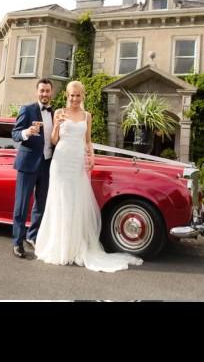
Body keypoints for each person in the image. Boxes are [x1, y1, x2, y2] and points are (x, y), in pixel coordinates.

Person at [35, 81, 143, 272]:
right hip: (61, 161)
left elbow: (88, 141)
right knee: (60, 200)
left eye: (78, 95)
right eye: (71, 95)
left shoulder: (87, 116)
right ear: (66, 96)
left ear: (82, 96)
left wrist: (92, 157)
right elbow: (53, 140)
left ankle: (74, 245)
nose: (74, 99)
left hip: (77, 161)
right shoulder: (59, 112)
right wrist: (56, 127)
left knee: (75, 202)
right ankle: (60, 246)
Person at [10, 78, 55, 258]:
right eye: (42, 91)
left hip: (48, 163)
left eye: (47, 91)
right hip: (28, 163)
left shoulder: (56, 113)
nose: (44, 94)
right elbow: (15, 134)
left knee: (41, 205)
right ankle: (17, 242)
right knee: (21, 205)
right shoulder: (27, 109)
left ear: (51, 92)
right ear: (37, 92)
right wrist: (27, 132)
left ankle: (33, 236)